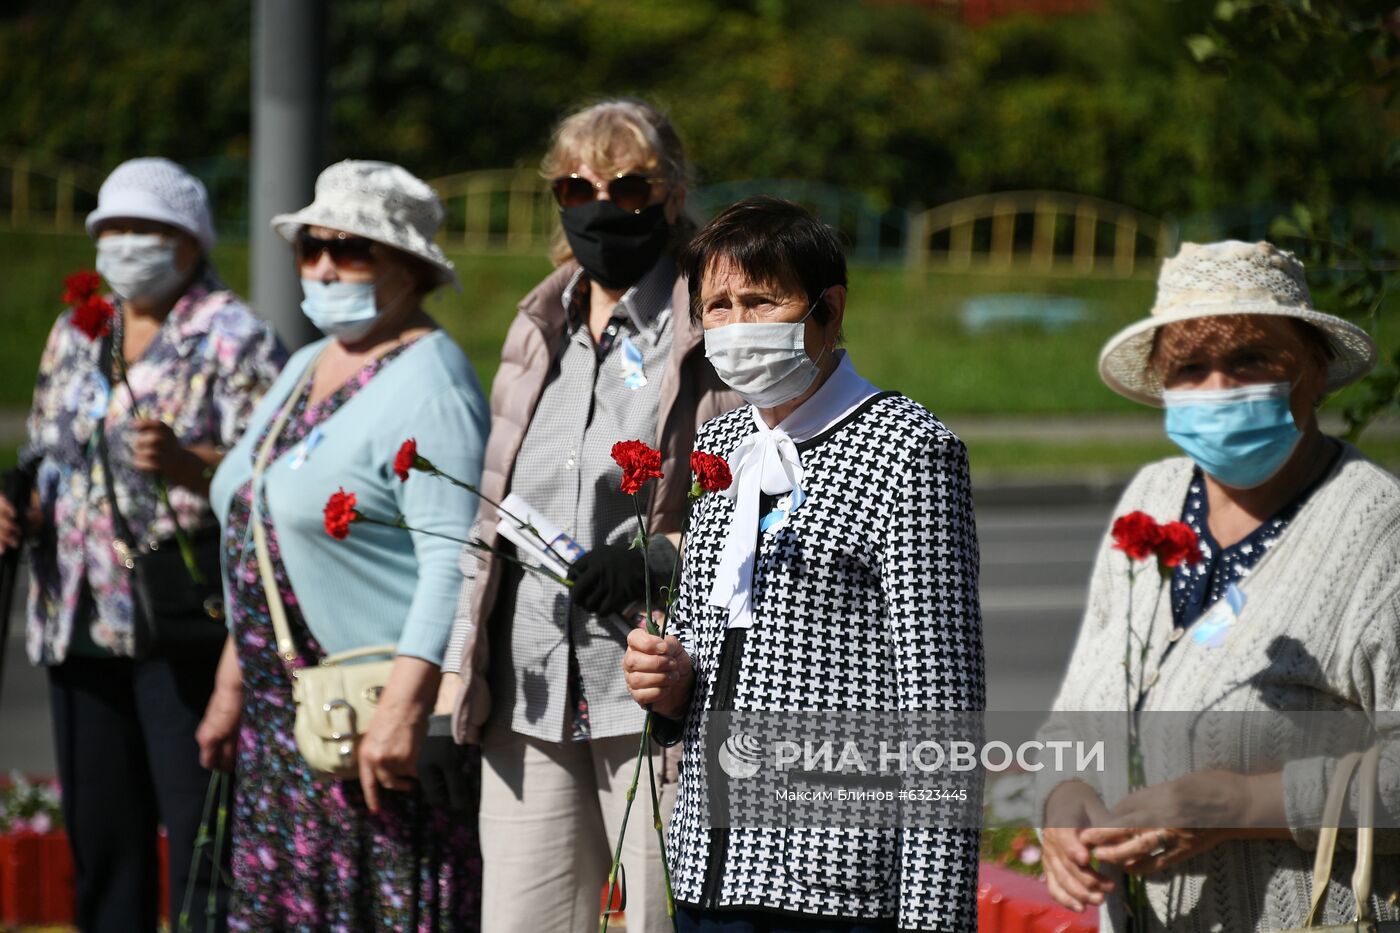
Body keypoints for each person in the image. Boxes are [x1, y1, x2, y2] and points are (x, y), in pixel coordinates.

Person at [621, 196, 986, 932]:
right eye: (717, 305)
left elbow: (942, 706)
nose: (737, 324)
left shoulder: (906, 450)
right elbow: (716, 643)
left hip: (833, 883)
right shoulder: (721, 447)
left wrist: (934, 917)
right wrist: (670, 685)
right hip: (708, 871)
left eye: (762, 299)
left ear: (828, 308)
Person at [436, 98, 739, 932]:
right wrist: (455, 682)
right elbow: (492, 510)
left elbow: (749, 497)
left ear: (673, 194)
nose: (600, 206)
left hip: (652, 688)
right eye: (575, 187)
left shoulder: (707, 323)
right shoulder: (539, 325)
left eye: (628, 185)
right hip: (528, 685)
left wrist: (660, 553)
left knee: (659, 920)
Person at [1037, 240, 1400, 930]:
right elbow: (1076, 716)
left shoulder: (1380, 531)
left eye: (1252, 361)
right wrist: (1063, 797)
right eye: (1190, 368)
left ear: (1316, 371)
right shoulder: (1153, 496)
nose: (1220, 390)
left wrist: (1235, 805)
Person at [200, 160, 488, 931]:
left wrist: (405, 708)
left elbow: (453, 561)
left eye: (351, 248)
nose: (324, 265)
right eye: (312, 246)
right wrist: (233, 679)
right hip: (281, 723)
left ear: (409, 265)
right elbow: (258, 528)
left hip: (363, 727)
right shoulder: (306, 363)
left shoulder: (431, 382)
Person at [0, 157, 284, 932]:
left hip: (181, 624)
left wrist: (195, 464)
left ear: (190, 241)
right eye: (112, 229)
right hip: (77, 619)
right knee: (102, 842)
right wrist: (15, 499)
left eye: (146, 230)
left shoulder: (236, 339)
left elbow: (277, 478)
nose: (125, 245)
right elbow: (45, 448)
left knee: (202, 840)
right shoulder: (78, 329)